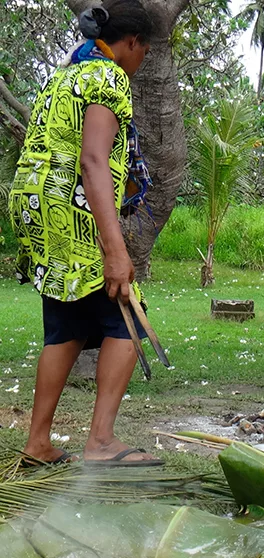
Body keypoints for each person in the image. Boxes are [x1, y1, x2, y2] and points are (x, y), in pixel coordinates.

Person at [8, 0, 162, 466]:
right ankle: (100, 443)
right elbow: (94, 159)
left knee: (66, 324)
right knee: (127, 318)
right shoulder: (108, 77)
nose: (141, 61)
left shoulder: (66, 75)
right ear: (132, 42)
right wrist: (115, 250)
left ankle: (37, 443)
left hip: (38, 204)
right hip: (72, 207)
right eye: (145, 51)